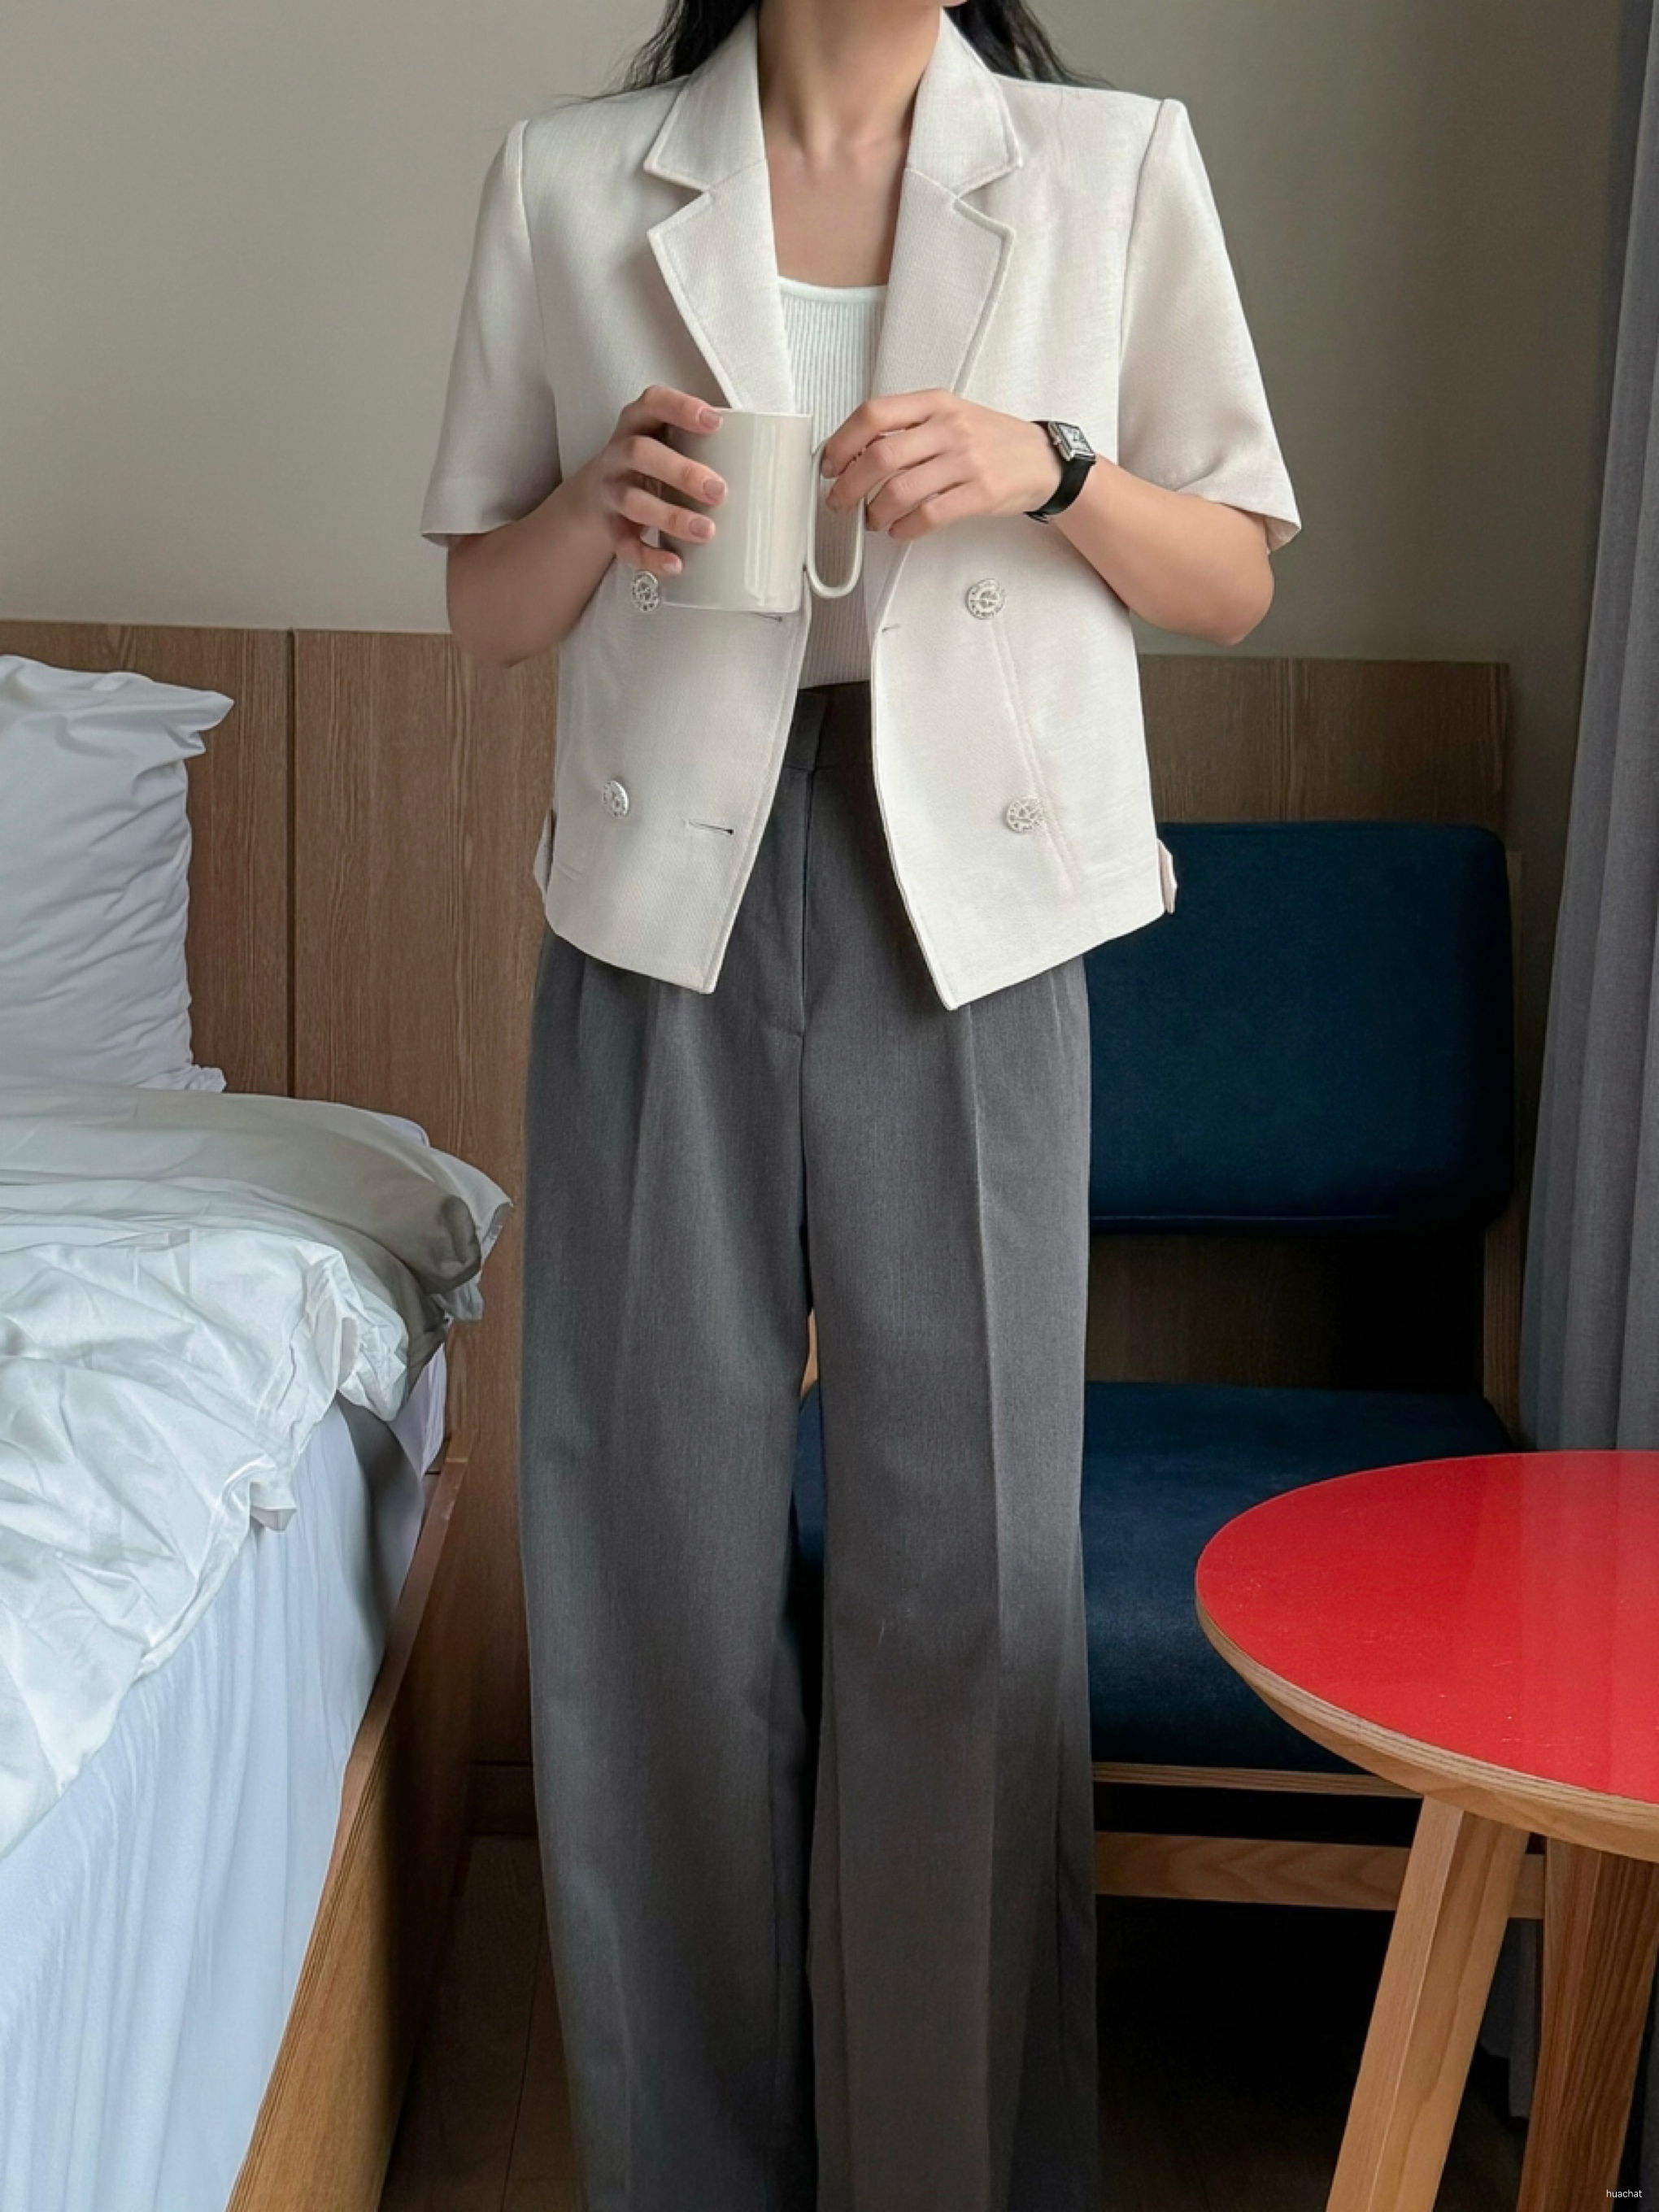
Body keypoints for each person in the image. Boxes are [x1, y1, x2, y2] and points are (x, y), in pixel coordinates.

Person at [420, 2, 1300, 2205]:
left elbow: (1236, 576)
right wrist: (593, 508)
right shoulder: (569, 176)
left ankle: (951, 2174)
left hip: (971, 925)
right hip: (663, 921)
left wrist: (1051, 468)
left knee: (965, 1589)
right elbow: (482, 608)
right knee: (652, 1579)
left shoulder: (1108, 164)